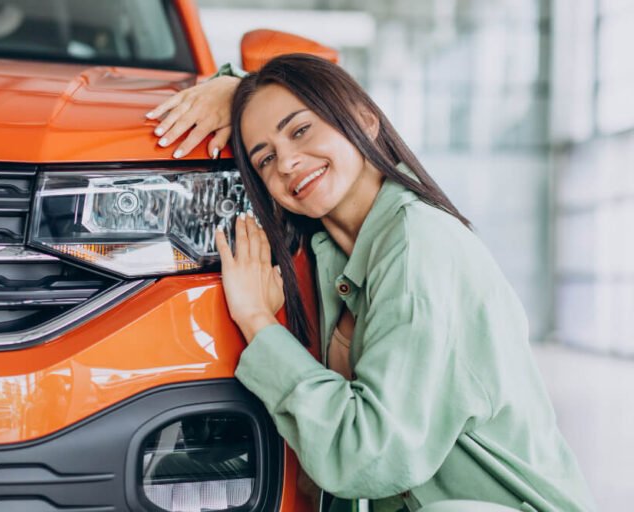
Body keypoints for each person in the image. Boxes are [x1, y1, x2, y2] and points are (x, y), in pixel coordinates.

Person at [147, 54, 595, 512]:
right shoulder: (330, 253)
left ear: (364, 119)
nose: (287, 162)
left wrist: (259, 321)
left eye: (301, 131)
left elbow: (367, 456)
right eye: (265, 158)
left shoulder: (419, 245)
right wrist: (238, 90)